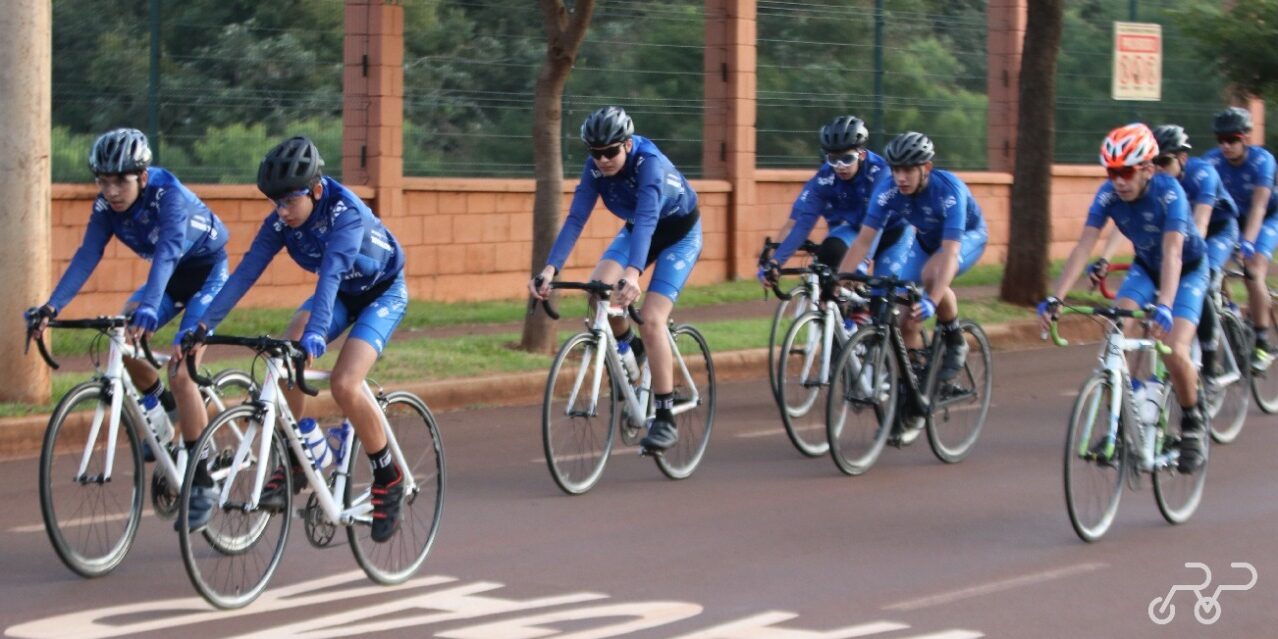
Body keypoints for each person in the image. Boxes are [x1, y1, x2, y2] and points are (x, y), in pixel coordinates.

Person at [181, 136, 409, 542]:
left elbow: (332, 274)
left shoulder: (346, 214)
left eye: (289, 201)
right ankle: (302, 453)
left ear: (316, 190)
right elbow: (245, 274)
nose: (281, 211)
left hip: (380, 294)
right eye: (275, 202)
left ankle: (387, 476)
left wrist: (319, 332)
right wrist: (204, 327)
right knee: (285, 355)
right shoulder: (280, 223)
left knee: (344, 383)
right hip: (340, 293)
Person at [25, 128, 231, 528]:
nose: (111, 190)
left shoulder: (169, 195)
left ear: (142, 176)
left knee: (181, 370)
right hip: (170, 277)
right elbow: (87, 255)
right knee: (122, 330)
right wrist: (52, 306)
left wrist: (151, 306)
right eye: (103, 181)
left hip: (207, 275)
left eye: (120, 180)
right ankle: (161, 410)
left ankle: (202, 478)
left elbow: (169, 251)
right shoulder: (106, 208)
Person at [529, 106, 701, 453]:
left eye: (610, 152)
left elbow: (650, 217)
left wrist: (633, 273)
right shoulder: (596, 169)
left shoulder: (649, 164)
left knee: (652, 318)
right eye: (595, 153)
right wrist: (550, 269)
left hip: (677, 235)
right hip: (639, 230)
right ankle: (632, 350)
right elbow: (576, 217)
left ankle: (665, 417)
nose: (603, 160)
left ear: (626, 144)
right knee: (598, 293)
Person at [1038, 123, 1208, 474]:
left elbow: (1174, 253)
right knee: (1119, 327)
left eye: (1126, 172)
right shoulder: (1108, 195)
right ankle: (1119, 420)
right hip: (1146, 267)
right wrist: (1056, 298)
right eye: (1112, 172)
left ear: (1147, 169)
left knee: (1175, 349)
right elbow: (1085, 245)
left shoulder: (1169, 193)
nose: (1119, 181)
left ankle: (1192, 423)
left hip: (1187, 269)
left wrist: (1165, 303)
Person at [758, 115, 912, 287]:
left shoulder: (881, 172)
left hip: (892, 233)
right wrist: (776, 262)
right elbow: (802, 224)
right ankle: (830, 312)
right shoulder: (825, 177)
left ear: (861, 155)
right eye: (833, 160)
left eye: (846, 159)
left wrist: (863, 262)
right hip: (857, 230)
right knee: (829, 256)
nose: (840, 166)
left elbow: (877, 224)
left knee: (880, 295)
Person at [1203, 106, 1278, 371]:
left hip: (1267, 216)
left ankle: (1261, 342)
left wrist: (1248, 241)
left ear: (1246, 137)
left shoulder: (1262, 161)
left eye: (1232, 139)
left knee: (1252, 271)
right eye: (1220, 140)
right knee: (1211, 267)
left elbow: (1259, 205)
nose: (1226, 146)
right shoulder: (1211, 162)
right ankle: (1231, 311)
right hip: (1233, 220)